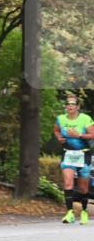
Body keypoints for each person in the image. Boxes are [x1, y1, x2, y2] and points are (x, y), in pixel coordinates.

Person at [53, 95, 93, 225]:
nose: (70, 106)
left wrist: (79, 135)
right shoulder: (60, 119)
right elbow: (56, 130)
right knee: (68, 183)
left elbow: (93, 135)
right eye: (68, 104)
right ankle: (70, 212)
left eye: (72, 104)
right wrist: (59, 137)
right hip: (68, 154)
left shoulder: (85, 119)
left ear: (78, 106)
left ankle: (84, 211)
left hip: (83, 154)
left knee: (83, 188)